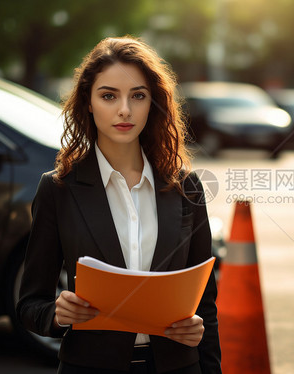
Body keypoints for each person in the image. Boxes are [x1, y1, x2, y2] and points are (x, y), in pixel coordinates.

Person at [16, 36, 221, 374]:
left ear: (152, 103)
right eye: (109, 96)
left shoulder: (186, 186)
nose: (125, 109)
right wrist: (57, 314)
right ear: (89, 102)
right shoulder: (58, 189)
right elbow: (29, 305)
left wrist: (198, 334)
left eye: (137, 96)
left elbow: (206, 305)